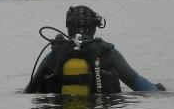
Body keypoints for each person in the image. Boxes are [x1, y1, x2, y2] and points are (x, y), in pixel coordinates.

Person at [25, 5, 164, 95]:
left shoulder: (54, 54)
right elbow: (140, 85)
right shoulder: (108, 53)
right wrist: (159, 89)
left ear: (68, 27)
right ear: (94, 28)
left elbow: (29, 91)